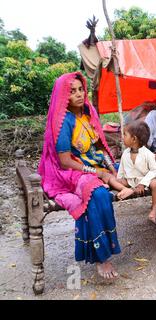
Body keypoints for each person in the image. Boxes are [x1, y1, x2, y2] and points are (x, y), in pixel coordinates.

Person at [38, 72, 120, 280]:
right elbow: (65, 161)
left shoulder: (88, 111)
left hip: (95, 164)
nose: (78, 94)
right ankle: (102, 257)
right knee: (98, 195)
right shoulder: (62, 121)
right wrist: (97, 172)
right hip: (71, 171)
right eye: (72, 91)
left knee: (129, 174)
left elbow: (100, 145)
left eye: (80, 89)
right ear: (63, 95)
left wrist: (110, 168)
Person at [115, 121, 156, 222]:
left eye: (125, 135)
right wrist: (118, 180)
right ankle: (128, 189)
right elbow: (121, 170)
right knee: (114, 180)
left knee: (155, 184)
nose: (123, 137)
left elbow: (154, 171)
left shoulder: (148, 154)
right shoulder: (125, 153)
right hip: (129, 180)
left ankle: (154, 209)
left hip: (144, 181)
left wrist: (142, 184)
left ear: (134, 139)